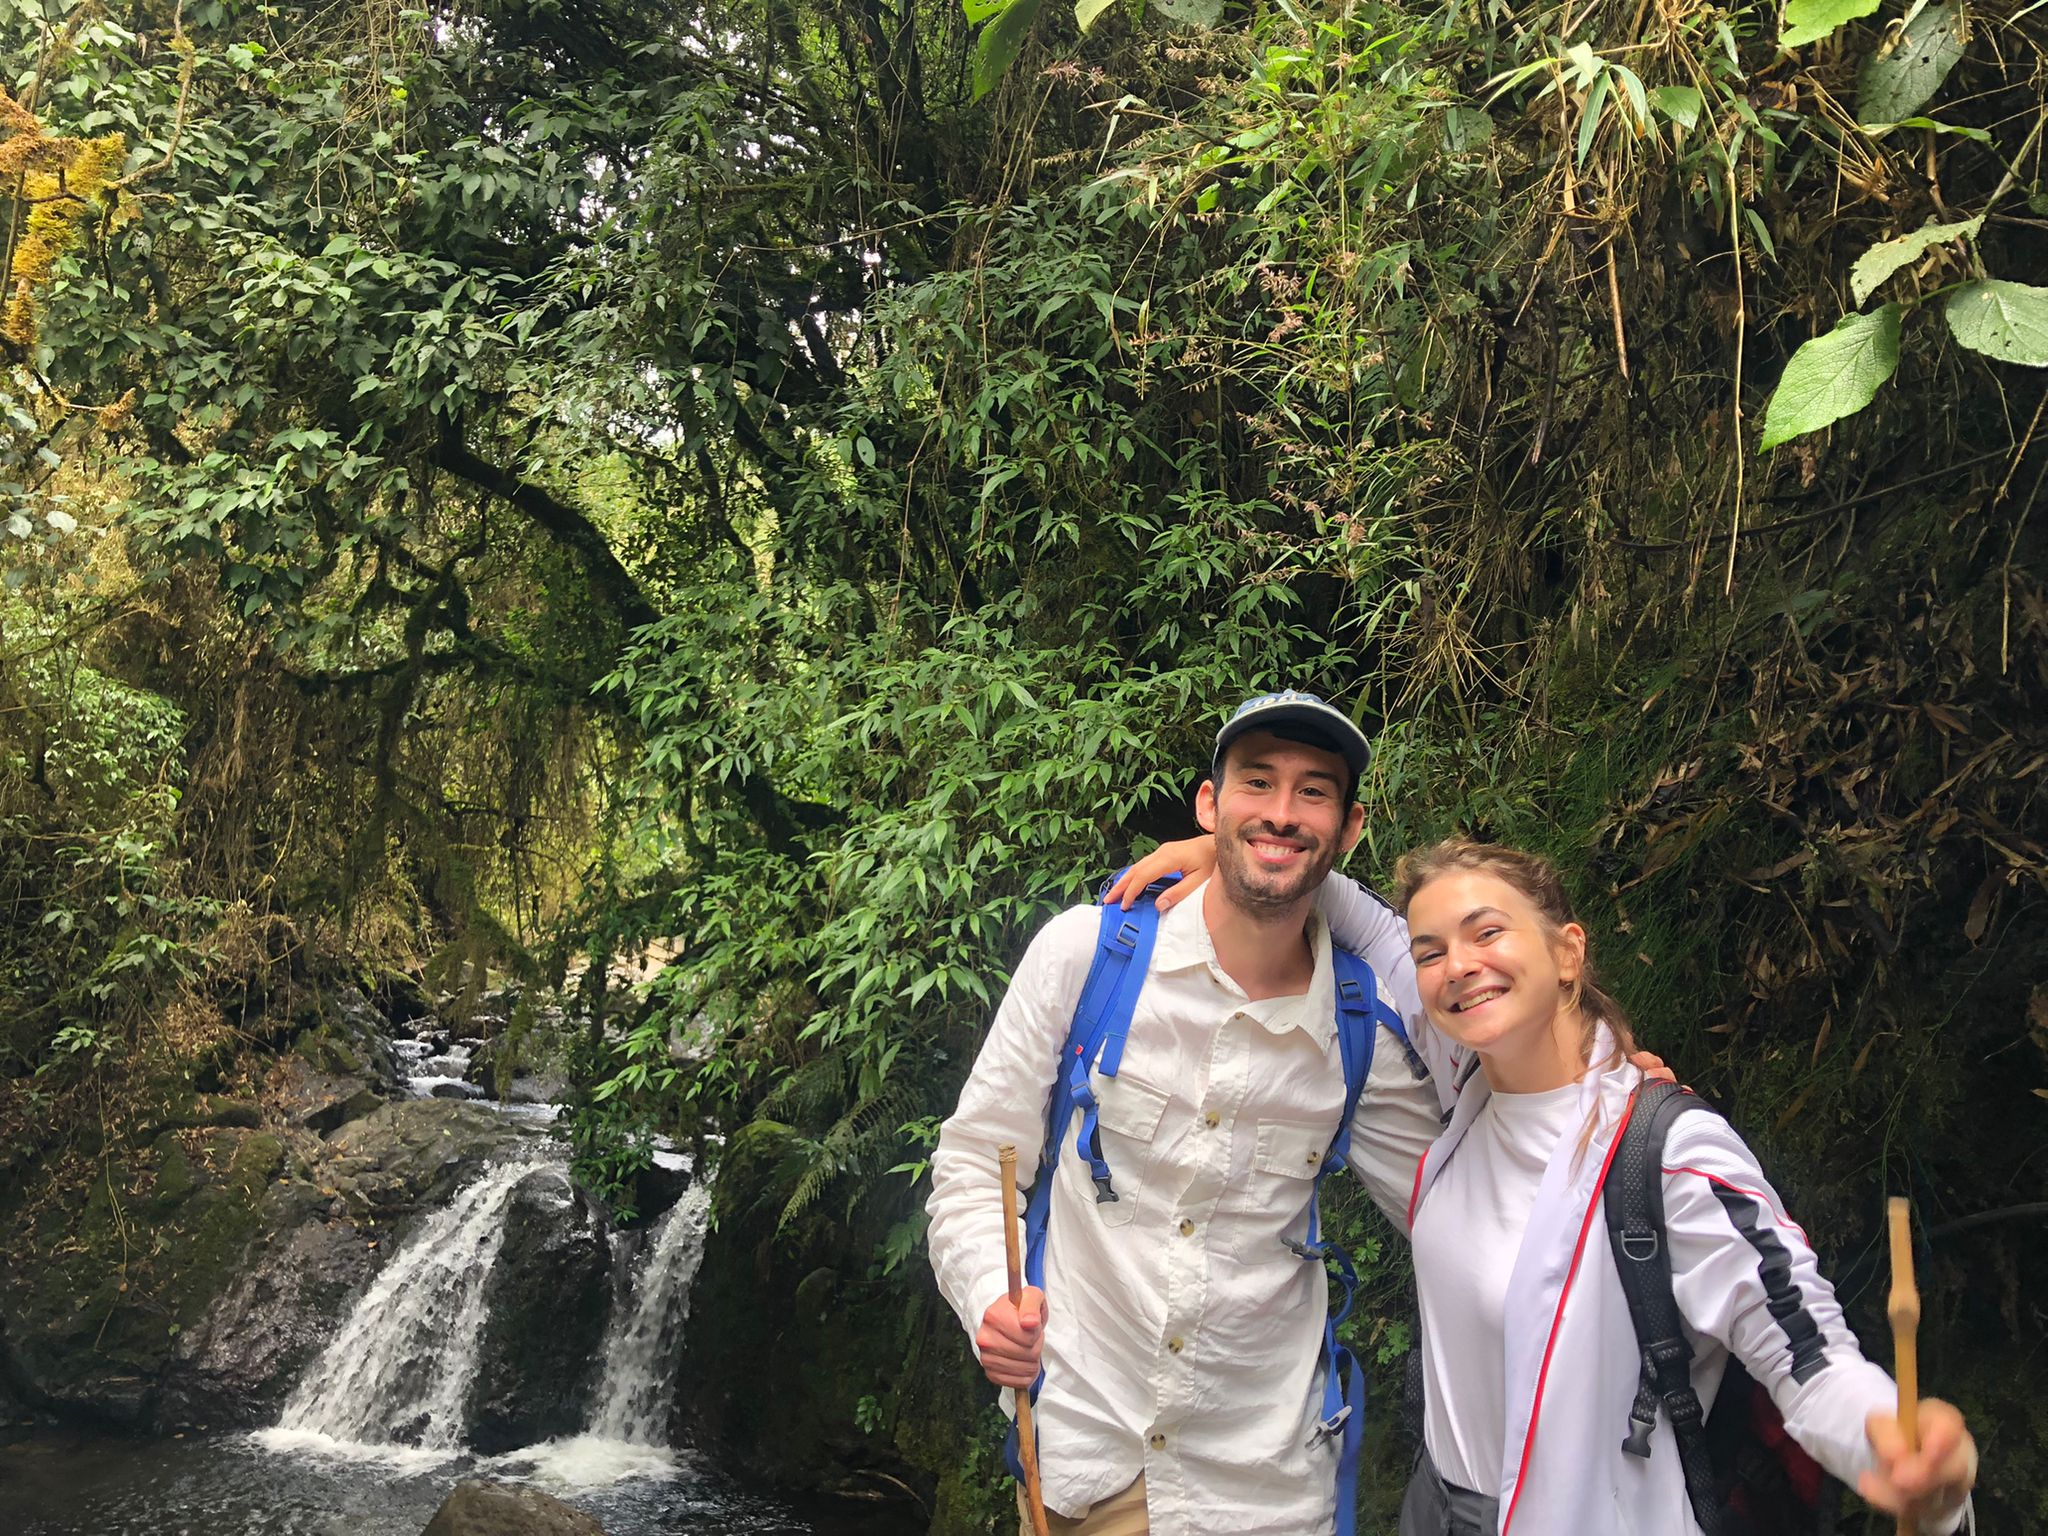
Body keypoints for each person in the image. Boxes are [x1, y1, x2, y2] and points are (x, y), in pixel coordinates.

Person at [1124, 831, 1981, 1536]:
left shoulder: (1666, 1151)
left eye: (1488, 933)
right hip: (1440, 1508)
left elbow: (1806, 1351)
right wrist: (1244, 859)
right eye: (1435, 951)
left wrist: (1894, 1449)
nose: (1457, 965)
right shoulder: (1467, 1078)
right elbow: (1374, 929)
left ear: (1568, 953)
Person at [924, 691, 1449, 1536]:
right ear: (1211, 806)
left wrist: (1598, 1084)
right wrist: (992, 1294)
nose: (1281, 813)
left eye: (1313, 792)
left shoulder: (1359, 1031)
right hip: (1083, 1471)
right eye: (1258, 783)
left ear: (1349, 829)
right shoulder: (1085, 955)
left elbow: (1461, 1211)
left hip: (1264, 1494)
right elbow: (974, 1164)